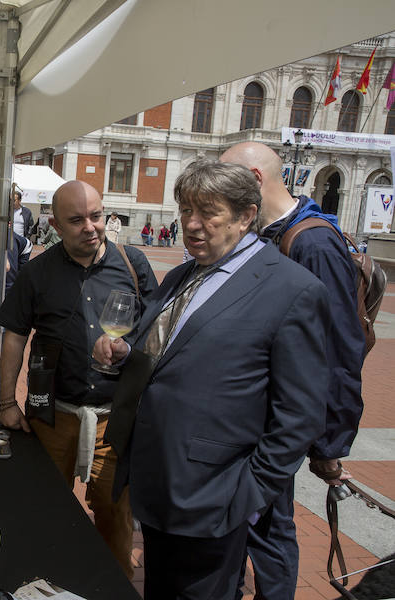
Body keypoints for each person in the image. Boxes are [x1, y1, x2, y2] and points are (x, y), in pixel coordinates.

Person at [93, 160, 329, 600]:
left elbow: (300, 414)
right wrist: (125, 354)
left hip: (215, 496)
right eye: (185, 211)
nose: (191, 224)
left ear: (245, 216)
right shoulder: (183, 275)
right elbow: (164, 357)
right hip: (158, 483)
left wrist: (249, 493)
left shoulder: (293, 290)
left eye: (208, 212)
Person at [221, 141, 365, 600]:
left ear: (255, 180)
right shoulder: (270, 233)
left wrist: (328, 443)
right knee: (253, 523)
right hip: (252, 416)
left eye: (226, 182)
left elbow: (340, 347)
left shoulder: (313, 242)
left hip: (277, 425)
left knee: (270, 530)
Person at [0, 180, 158, 580]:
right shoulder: (38, 272)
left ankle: (114, 586)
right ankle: (45, 581)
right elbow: (14, 335)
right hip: (53, 416)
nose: (90, 227)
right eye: (77, 219)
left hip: (115, 418)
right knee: (46, 508)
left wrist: (129, 348)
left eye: (97, 216)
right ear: (54, 224)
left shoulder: (131, 263)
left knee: (115, 516)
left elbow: (158, 329)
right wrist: (5, 401)